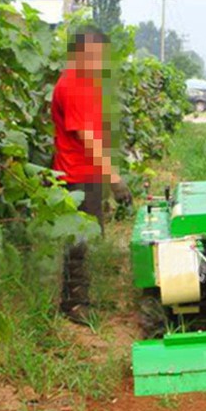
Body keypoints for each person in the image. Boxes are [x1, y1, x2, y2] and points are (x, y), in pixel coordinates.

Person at [51, 26, 132, 323]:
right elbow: (87, 138)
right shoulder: (72, 85)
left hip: (87, 174)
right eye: (98, 56)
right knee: (78, 240)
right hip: (76, 176)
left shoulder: (84, 83)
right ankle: (73, 304)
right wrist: (115, 180)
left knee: (86, 238)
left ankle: (81, 298)